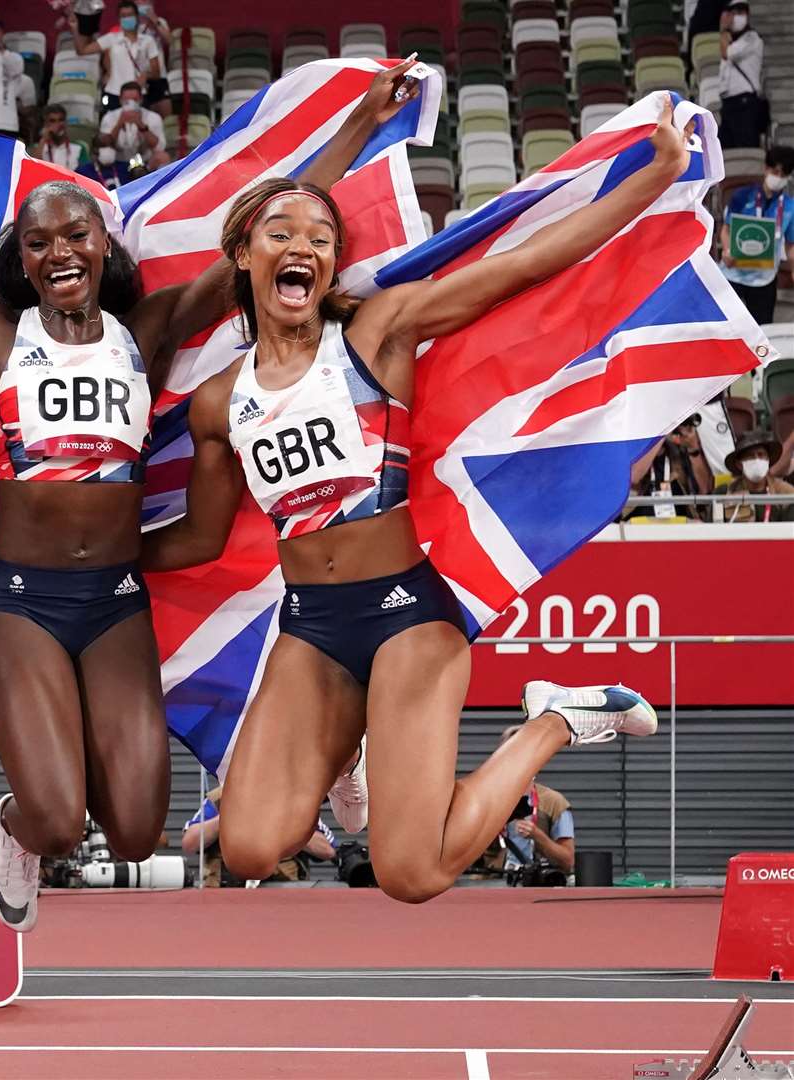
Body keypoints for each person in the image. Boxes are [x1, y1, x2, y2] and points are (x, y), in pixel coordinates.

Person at [0, 61, 425, 932]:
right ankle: (21, 826)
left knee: (138, 832)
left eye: (76, 236)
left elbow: (264, 228)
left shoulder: (149, 334)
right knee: (61, 822)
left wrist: (363, 121)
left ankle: (45, 788)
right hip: (21, 596)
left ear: (105, 247)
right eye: (39, 243)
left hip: (113, 602)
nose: (59, 251)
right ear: (21, 262)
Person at [140, 100, 691, 906]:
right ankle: (352, 749)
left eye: (322, 239)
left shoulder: (376, 333)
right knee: (252, 846)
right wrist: (101, 557)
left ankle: (555, 722)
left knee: (413, 873)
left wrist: (656, 176)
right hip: (313, 630)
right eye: (282, 233)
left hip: (405, 617)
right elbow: (199, 537)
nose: (304, 247)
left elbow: (526, 265)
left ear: (331, 267)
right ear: (243, 256)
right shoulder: (218, 403)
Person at [183, 788, 336, 886]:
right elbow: (190, 843)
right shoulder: (221, 797)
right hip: (225, 890)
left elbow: (327, 850)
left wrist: (285, 823)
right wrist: (226, 819)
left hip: (282, 890)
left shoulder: (293, 801)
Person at [485, 728, 575, 882]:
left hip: (538, 882)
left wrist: (538, 836)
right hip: (495, 883)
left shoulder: (553, 802)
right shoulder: (487, 802)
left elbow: (567, 862)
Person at [718, 145, 792, 326]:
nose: (779, 178)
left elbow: (790, 245)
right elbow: (726, 229)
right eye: (776, 172)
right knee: (726, 327)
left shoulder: (790, 206)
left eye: (784, 175)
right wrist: (727, 250)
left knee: (762, 331)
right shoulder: (742, 196)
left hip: (764, 279)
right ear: (766, 169)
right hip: (733, 272)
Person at [75, 0, 163, 113]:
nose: (127, 18)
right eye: (123, 16)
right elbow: (82, 51)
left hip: (138, 94)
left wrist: (145, 75)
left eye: (130, 15)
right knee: (110, 126)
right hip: (112, 93)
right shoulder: (111, 38)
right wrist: (75, 29)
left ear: (137, 16)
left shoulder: (148, 41)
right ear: (119, 19)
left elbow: (156, 73)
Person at [628, 415, 713, 521]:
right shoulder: (636, 447)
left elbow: (705, 489)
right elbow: (634, 476)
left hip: (679, 523)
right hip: (639, 524)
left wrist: (693, 447)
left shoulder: (680, 452)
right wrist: (661, 434)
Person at [716, 0, 766, 151]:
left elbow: (727, 53)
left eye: (740, 13)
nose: (736, 17)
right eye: (733, 13)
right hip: (729, 102)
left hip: (745, 102)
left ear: (747, 15)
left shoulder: (752, 38)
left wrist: (723, 30)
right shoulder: (731, 40)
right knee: (726, 149)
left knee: (747, 146)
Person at [716, 428, 794, 522]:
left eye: (761, 455)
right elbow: (711, 530)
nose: (757, 459)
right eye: (750, 456)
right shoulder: (724, 493)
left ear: (768, 460)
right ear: (739, 464)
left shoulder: (787, 493)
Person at [97, 81, 167, 169]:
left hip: (145, 161)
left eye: (134, 99)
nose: (130, 103)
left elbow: (159, 147)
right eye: (126, 100)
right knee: (105, 154)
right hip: (117, 161)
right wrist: (119, 124)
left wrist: (141, 125)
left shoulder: (153, 117)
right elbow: (104, 144)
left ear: (141, 99)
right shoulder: (109, 117)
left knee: (162, 157)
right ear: (120, 100)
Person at [34, 103, 89, 172]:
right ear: (45, 124)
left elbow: (87, 174)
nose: (57, 124)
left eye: (61, 120)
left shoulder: (79, 147)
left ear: (66, 122)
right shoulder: (38, 147)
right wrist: (43, 139)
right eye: (52, 121)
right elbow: (34, 169)